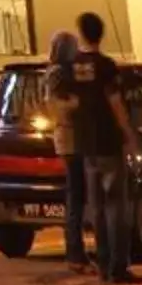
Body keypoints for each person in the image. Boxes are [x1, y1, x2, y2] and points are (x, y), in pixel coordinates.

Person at [55, 10, 138, 284]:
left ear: (81, 33)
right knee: (116, 206)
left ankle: (102, 264)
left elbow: (63, 99)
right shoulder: (106, 66)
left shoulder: (73, 66)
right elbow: (116, 103)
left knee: (97, 207)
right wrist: (128, 135)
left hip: (85, 143)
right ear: (101, 34)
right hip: (108, 142)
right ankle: (118, 266)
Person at [45, 28, 88, 269]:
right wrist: (79, 103)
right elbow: (57, 105)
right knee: (76, 195)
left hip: (67, 136)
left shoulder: (56, 72)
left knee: (76, 194)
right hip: (70, 136)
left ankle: (76, 249)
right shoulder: (59, 74)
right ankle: (74, 251)